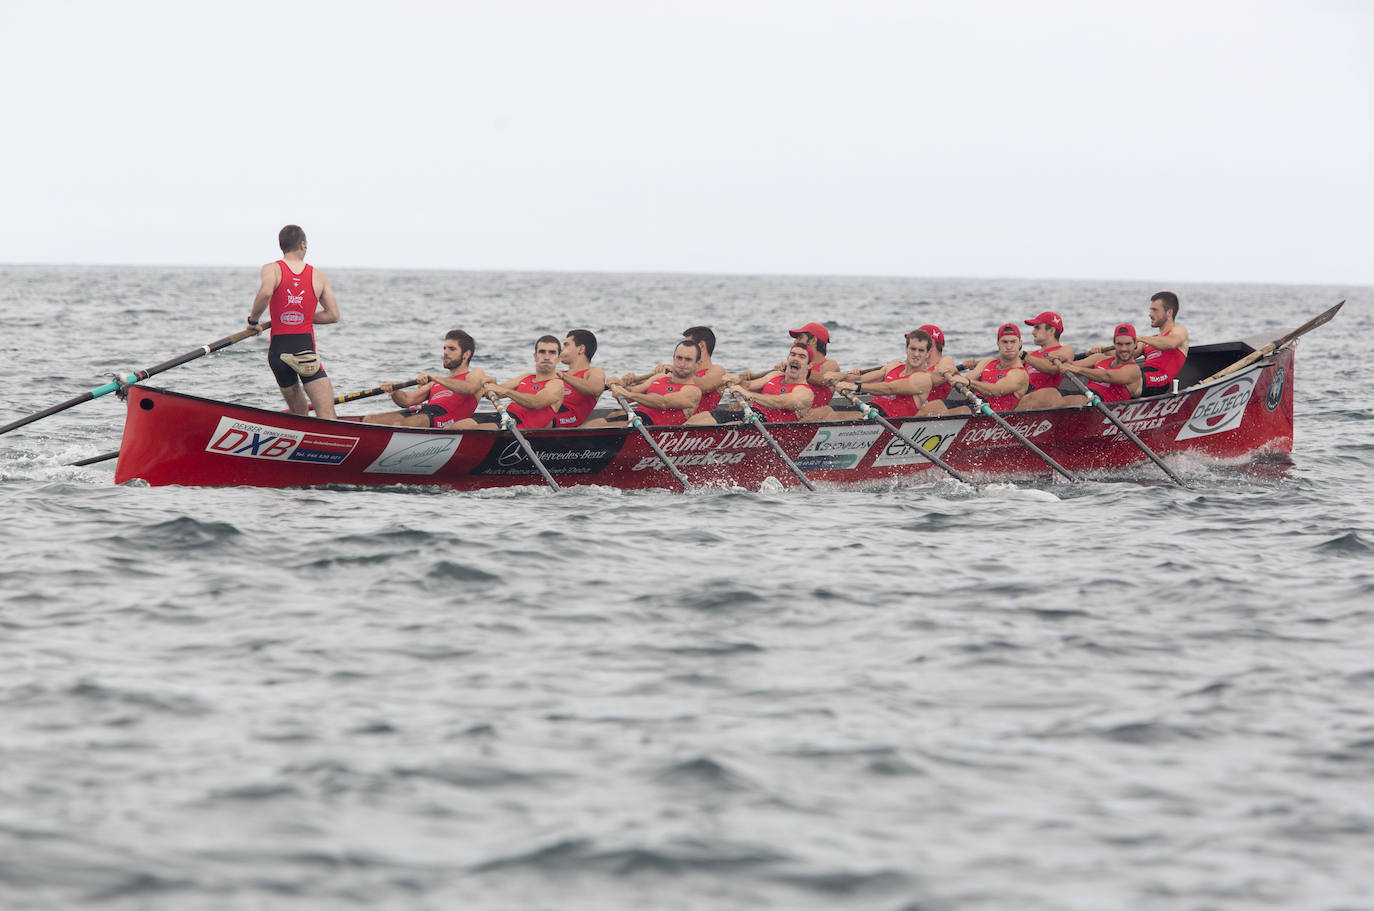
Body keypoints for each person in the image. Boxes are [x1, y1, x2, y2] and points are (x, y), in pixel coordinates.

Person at [246, 225, 339, 419]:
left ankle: (300, 440)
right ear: (303, 244)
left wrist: (253, 320)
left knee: (299, 415)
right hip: (304, 350)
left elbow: (265, 292)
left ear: (282, 245)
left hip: (278, 352)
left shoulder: (271, 269)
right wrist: (303, 315)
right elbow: (332, 315)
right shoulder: (318, 276)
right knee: (326, 413)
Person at [361, 330, 486, 427]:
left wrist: (436, 378)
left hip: (445, 419)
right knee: (370, 420)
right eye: (444, 348)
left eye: (452, 349)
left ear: (466, 354)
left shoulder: (475, 374)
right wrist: (394, 391)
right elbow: (406, 400)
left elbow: (470, 389)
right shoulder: (434, 383)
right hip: (424, 413)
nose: (445, 352)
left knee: (405, 424)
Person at [452, 335, 566, 430]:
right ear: (535, 356)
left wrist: (506, 391)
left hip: (516, 427)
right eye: (542, 352)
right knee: (453, 428)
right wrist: (491, 383)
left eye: (552, 353)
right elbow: (497, 391)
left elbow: (536, 403)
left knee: (472, 430)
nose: (546, 357)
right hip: (503, 417)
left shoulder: (556, 384)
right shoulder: (526, 377)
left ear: (558, 358)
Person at [1087, 291, 1188, 395]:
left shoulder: (1179, 331)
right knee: (1101, 361)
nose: (1150, 314)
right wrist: (1102, 351)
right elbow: (1124, 355)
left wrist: (1140, 338)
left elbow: (1171, 343)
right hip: (1143, 375)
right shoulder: (1149, 341)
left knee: (1129, 376)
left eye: (1155, 310)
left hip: (1160, 379)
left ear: (1169, 313)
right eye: (1150, 310)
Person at [686, 343, 814, 425]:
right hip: (750, 415)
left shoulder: (805, 392)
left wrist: (749, 395)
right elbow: (748, 386)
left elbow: (780, 402)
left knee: (729, 426)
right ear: (787, 359)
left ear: (809, 365)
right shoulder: (775, 375)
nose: (796, 359)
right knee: (700, 419)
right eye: (793, 355)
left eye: (801, 357)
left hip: (767, 427)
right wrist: (738, 381)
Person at [584, 340, 704, 427]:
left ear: (697, 364)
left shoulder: (693, 391)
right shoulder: (660, 377)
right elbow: (630, 395)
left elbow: (664, 402)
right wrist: (618, 385)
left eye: (688, 360)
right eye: (679, 358)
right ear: (673, 358)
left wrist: (628, 395)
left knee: (598, 424)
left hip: (652, 428)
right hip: (637, 418)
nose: (682, 363)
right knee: (608, 416)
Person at [831, 329, 935, 418]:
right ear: (906, 349)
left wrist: (855, 387)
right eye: (913, 349)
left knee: (828, 415)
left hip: (888, 420)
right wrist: (839, 377)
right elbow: (861, 379)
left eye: (921, 350)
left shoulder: (924, 378)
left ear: (927, 354)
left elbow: (890, 388)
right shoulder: (894, 365)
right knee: (828, 410)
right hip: (870, 409)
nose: (916, 354)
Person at [933, 323, 1029, 414]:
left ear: (1020, 343)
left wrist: (969, 382)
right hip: (974, 403)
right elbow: (964, 383)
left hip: (990, 413)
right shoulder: (988, 362)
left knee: (961, 410)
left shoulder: (1019, 374)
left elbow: (996, 391)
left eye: (1013, 342)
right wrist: (952, 372)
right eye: (1004, 342)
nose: (1008, 346)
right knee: (933, 406)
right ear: (998, 344)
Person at [1060, 323, 1143, 404]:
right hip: (1084, 394)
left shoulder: (1133, 370)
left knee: (1064, 401)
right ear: (1114, 344)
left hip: (1099, 404)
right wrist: (1061, 358)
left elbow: (1106, 375)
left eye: (1128, 344)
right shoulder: (1099, 358)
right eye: (1119, 344)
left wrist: (1078, 370)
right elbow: (1072, 365)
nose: (1124, 349)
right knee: (1049, 393)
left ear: (1135, 344)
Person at [1015, 311, 1076, 410]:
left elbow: (1051, 368)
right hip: (1022, 397)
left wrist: (1024, 356)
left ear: (1051, 331)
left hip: (1042, 399)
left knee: (1028, 399)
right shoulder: (1030, 354)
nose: (1033, 332)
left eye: (1037, 327)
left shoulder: (1066, 350)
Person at [555, 329, 606, 428]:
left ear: (581, 349)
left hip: (567, 419)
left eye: (566, 345)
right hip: (549, 410)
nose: (561, 349)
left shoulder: (593, 371)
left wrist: (563, 376)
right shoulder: (559, 374)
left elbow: (595, 389)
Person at [914, 324, 960, 414]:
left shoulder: (945, 363)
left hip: (930, 414)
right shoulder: (917, 368)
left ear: (931, 343)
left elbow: (934, 379)